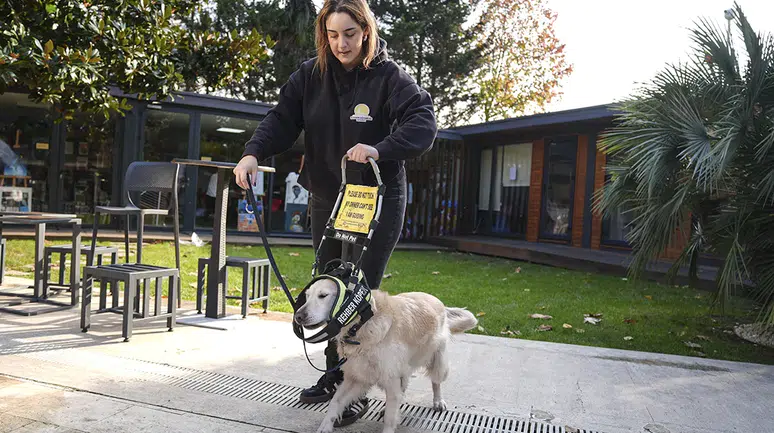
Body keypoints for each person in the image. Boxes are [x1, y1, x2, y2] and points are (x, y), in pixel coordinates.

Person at [233, 0, 437, 426]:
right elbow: (281, 119)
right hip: (328, 196)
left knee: (359, 293)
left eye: (349, 34)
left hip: (375, 201)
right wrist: (253, 152)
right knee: (327, 285)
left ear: (366, 30)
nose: (340, 43)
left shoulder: (390, 78)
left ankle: (358, 390)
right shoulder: (310, 76)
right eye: (332, 34)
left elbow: (422, 123)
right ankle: (334, 374)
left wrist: (379, 148)